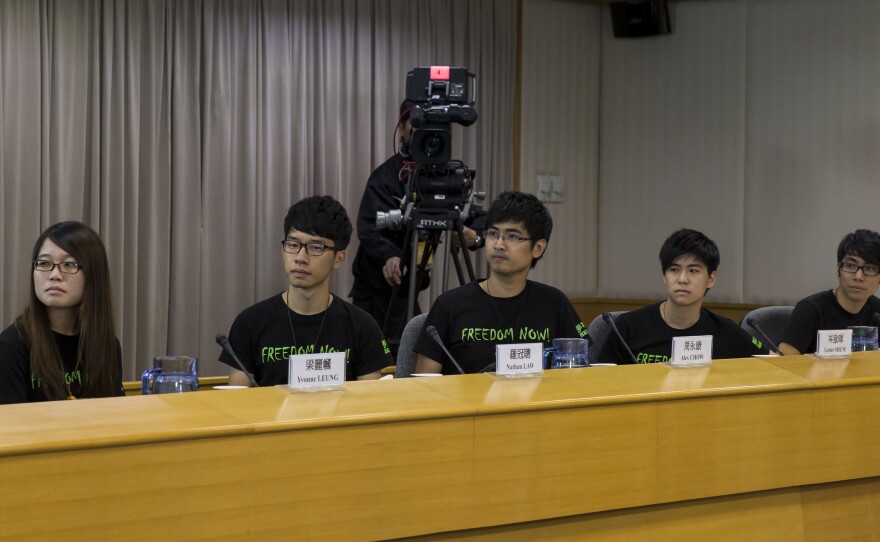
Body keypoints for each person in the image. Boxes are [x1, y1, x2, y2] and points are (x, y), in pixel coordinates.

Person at [221, 195, 391, 386]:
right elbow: (237, 405)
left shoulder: (362, 326)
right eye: (293, 245)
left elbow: (369, 406)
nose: (300, 257)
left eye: (315, 247)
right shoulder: (250, 323)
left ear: (339, 258)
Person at [349, 100, 482, 342]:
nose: (425, 131)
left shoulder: (448, 177)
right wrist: (388, 256)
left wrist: (475, 236)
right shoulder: (387, 176)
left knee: (413, 345)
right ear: (402, 127)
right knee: (383, 354)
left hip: (410, 285)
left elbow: (481, 219)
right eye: (418, 122)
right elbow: (369, 225)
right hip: (378, 288)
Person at [414, 191, 586, 375]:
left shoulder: (554, 303)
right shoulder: (449, 305)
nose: (499, 244)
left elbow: (582, 371)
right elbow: (426, 386)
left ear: (538, 248)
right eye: (493, 234)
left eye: (512, 236)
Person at [595, 229, 767, 364]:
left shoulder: (726, 331)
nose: (682, 279)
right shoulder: (628, 327)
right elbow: (599, 380)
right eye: (674, 270)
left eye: (693, 270)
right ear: (664, 276)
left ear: (711, 279)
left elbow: (773, 364)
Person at [0, 221, 123, 403]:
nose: (54, 275)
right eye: (44, 263)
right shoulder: (11, 347)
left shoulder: (107, 344)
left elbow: (117, 417)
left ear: (93, 275)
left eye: (68, 264)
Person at [779, 229, 880, 355]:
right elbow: (783, 366)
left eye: (869, 268)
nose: (859, 276)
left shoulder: (877, 311)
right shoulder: (810, 310)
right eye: (850, 266)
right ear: (838, 270)